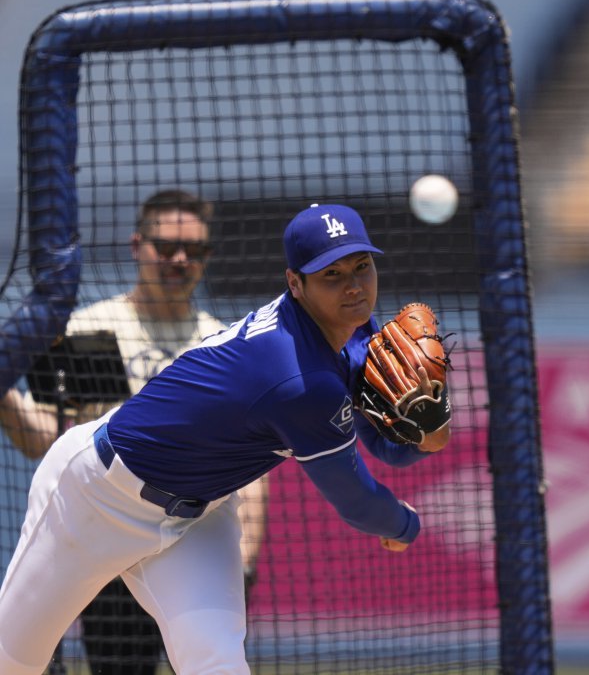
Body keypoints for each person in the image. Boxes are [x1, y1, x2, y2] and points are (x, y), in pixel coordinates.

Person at [0, 201, 449, 674]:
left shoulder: (353, 332)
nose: (354, 285)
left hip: (199, 515)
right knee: (13, 662)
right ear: (295, 284)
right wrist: (404, 525)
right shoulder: (299, 379)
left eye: (362, 265)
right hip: (96, 498)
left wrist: (429, 435)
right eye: (331, 275)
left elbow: (383, 446)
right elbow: (356, 501)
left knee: (216, 664)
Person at [0, 189, 270, 674]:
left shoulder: (226, 344)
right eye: (166, 247)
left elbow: (250, 467)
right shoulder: (86, 328)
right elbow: (47, 438)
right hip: (107, 533)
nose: (180, 260)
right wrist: (4, 396)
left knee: (212, 661)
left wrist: (244, 554)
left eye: (195, 251)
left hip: (193, 533)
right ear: (137, 245)